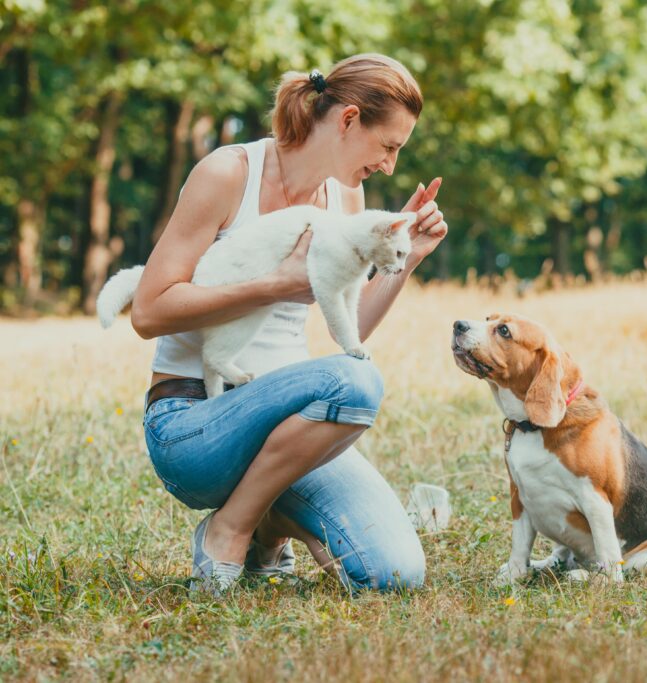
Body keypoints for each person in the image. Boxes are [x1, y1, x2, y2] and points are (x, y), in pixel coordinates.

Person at [129, 54, 447, 595]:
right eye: (388, 147)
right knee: (359, 379)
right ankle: (229, 529)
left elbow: (352, 326)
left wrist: (408, 256)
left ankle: (270, 523)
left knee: (393, 573)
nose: (390, 166)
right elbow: (148, 311)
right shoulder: (229, 173)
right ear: (347, 120)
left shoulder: (345, 196)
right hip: (195, 421)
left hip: (291, 430)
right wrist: (275, 284)